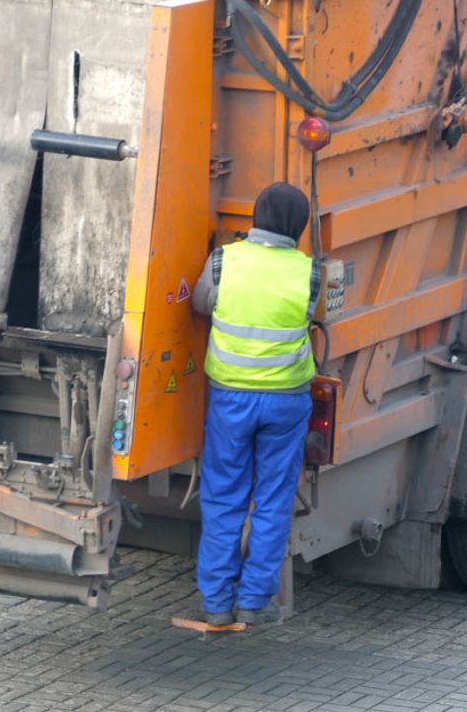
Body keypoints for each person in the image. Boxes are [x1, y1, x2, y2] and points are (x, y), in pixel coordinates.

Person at [191, 181, 321, 625]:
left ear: (256, 216)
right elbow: (311, 317)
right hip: (286, 403)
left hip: (231, 399)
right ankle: (254, 601)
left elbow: (200, 304)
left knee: (223, 497)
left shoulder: (226, 259)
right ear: (299, 226)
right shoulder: (309, 272)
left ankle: (215, 605)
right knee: (272, 499)